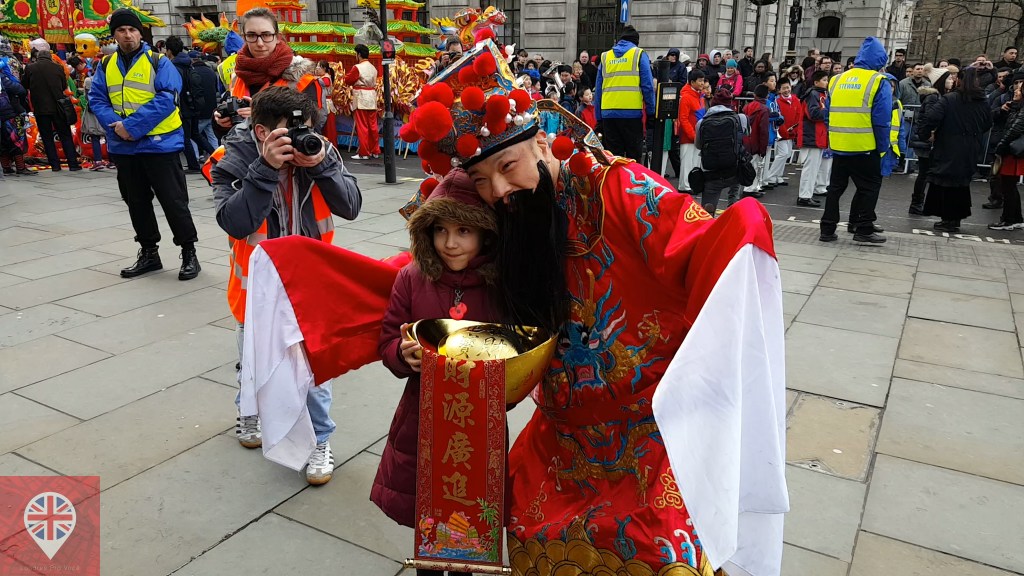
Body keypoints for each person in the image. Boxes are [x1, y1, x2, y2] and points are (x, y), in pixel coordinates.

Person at [210, 86, 362, 484]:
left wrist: (322, 166)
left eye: (305, 130)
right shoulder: (232, 159)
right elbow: (234, 221)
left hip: (312, 284)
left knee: (314, 367)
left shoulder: (320, 151)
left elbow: (351, 206)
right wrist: (264, 170)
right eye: (287, 133)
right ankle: (249, 410)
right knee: (254, 357)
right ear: (261, 132)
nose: (299, 140)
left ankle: (319, 440)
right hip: (258, 287)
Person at [371, 168, 498, 576]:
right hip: (422, 416)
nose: (450, 242)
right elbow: (389, 337)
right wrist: (400, 354)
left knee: (468, 517)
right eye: (441, 229)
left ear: (485, 234)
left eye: (464, 230)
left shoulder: (502, 286)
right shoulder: (412, 279)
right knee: (428, 515)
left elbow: (516, 352)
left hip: (478, 425)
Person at [89, 8, 201, 279]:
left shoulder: (159, 62)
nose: (127, 35)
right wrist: (119, 128)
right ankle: (149, 252)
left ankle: (189, 253)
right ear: (114, 35)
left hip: (160, 145)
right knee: (136, 202)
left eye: (132, 30)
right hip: (124, 147)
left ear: (141, 32)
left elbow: (167, 98)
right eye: (121, 31)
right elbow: (97, 99)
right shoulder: (105, 65)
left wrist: (131, 126)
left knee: (174, 201)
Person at [818, 37, 892, 244]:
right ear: (880, 59)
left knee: (835, 189)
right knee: (869, 188)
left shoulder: (836, 80)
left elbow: (828, 114)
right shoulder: (878, 81)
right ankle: (863, 228)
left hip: (840, 144)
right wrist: (882, 146)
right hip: (865, 146)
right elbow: (881, 120)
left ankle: (827, 229)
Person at [214, 7, 322, 131]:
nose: (260, 43)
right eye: (252, 35)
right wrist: (220, 121)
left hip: (284, 149)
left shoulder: (301, 78)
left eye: (266, 35)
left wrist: (260, 116)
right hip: (242, 148)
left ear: (277, 37)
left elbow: (314, 129)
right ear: (244, 38)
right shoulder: (238, 75)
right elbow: (227, 133)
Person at [916, 67, 993, 232]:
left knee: (946, 181)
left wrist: (925, 134)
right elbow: (987, 123)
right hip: (971, 146)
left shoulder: (950, 99)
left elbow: (932, 118)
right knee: (961, 183)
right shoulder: (983, 101)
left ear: (960, 80)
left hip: (949, 144)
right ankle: (955, 218)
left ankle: (948, 219)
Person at [595, 25, 655, 160]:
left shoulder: (605, 57)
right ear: (635, 42)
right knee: (633, 159)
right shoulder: (639, 54)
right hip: (631, 115)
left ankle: (615, 181)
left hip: (608, 115)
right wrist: (651, 113)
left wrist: (599, 118)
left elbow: (598, 91)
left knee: (614, 159)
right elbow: (648, 87)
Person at [22, 48, 81, 171]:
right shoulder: (58, 68)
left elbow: (25, 85)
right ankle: (73, 164)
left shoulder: (30, 68)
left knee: (47, 136)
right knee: (65, 134)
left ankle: (55, 165)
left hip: (40, 108)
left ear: (38, 57)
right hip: (58, 107)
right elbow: (63, 86)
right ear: (50, 57)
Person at [695, 87, 748, 212]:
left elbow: (698, 145)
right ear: (730, 104)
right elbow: (744, 138)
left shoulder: (701, 123)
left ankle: (708, 226)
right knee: (734, 199)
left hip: (711, 171)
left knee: (707, 211)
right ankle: (732, 213)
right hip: (733, 168)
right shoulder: (741, 118)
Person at [907, 72, 949, 214]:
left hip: (928, 140)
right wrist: (931, 133)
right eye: (948, 78)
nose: (952, 80)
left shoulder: (938, 96)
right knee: (924, 173)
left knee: (925, 173)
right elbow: (930, 118)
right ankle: (916, 203)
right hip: (927, 141)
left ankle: (919, 202)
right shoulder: (933, 97)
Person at [165, 36, 208, 172]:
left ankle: (193, 165)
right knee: (196, 134)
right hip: (194, 103)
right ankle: (216, 157)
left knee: (186, 138)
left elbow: (175, 89)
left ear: (169, 51)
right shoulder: (188, 63)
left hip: (184, 107)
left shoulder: (174, 67)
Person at [990, 74, 1024, 230]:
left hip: (1012, 150)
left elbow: (1015, 129)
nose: (1016, 91)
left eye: (1020, 90)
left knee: (1008, 185)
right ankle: (1016, 217)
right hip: (1013, 149)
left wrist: (1002, 145)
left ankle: (1008, 219)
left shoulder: (1022, 109)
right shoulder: (1016, 107)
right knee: (1010, 185)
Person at [345, 43, 381, 160]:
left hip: (361, 97)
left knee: (362, 126)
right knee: (373, 126)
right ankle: (375, 150)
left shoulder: (357, 67)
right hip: (371, 97)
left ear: (359, 54)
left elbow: (348, 80)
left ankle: (364, 152)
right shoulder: (373, 68)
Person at [765, 77, 800, 190]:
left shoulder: (795, 100)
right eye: (783, 88)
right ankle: (770, 176)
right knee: (783, 154)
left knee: (787, 154)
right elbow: (778, 117)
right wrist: (783, 130)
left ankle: (778, 176)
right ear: (779, 90)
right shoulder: (777, 101)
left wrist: (795, 129)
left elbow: (798, 115)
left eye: (788, 87)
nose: (786, 90)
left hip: (792, 131)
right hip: (781, 131)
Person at [674, 69, 706, 190]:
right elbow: (683, 119)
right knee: (687, 162)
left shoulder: (699, 95)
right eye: (700, 81)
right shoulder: (687, 97)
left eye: (703, 80)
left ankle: (691, 185)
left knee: (695, 162)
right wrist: (693, 135)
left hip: (696, 134)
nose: (702, 83)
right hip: (689, 136)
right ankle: (685, 185)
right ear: (692, 82)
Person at [0, 64, 33, 176]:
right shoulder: (3, 76)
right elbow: (17, 89)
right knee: (17, 139)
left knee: (2, 140)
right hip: (8, 111)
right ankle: (20, 166)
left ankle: (6, 167)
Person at [741, 84, 770, 197]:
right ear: (766, 95)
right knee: (755, 165)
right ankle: (750, 188)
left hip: (746, 139)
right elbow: (763, 131)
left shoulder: (747, 107)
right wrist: (763, 147)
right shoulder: (764, 109)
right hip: (756, 141)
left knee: (748, 164)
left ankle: (748, 187)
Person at [316, 60, 338, 146]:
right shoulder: (322, 77)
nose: (317, 69)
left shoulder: (326, 78)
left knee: (329, 129)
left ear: (324, 68)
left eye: (319, 67)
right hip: (323, 103)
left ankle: (331, 146)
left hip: (327, 105)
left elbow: (325, 83)